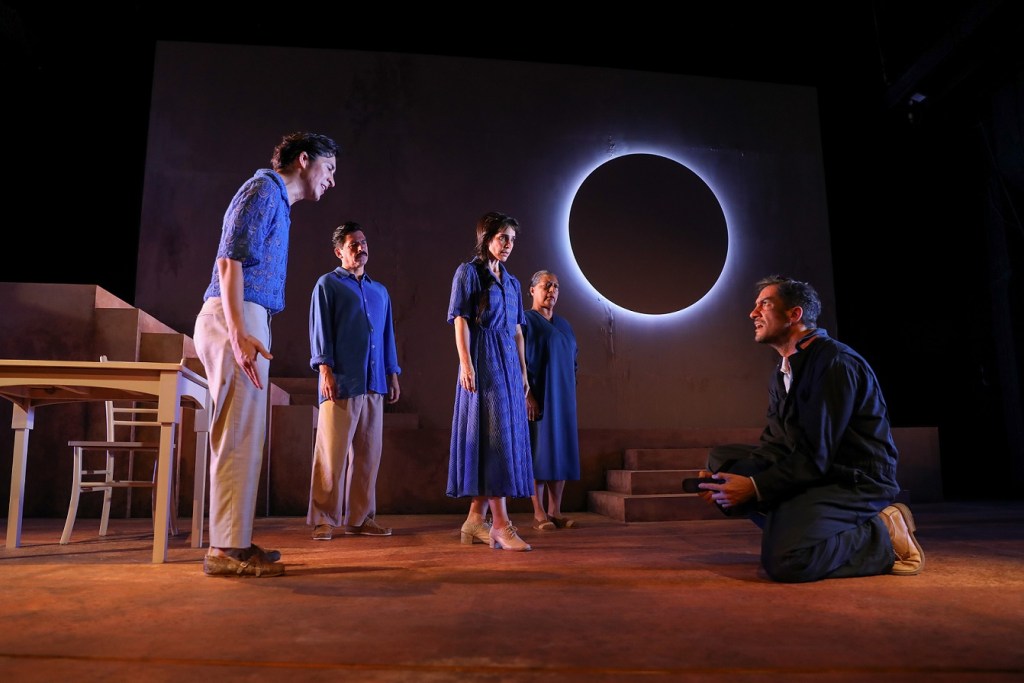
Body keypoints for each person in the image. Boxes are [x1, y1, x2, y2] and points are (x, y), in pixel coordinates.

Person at [694, 274, 925, 583]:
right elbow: (777, 444)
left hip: (853, 478)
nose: (752, 313)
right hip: (819, 468)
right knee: (723, 462)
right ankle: (795, 524)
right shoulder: (783, 371)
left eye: (764, 304)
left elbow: (816, 454)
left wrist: (755, 487)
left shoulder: (835, 363)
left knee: (786, 561)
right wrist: (726, 482)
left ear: (794, 314)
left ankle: (881, 533)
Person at [194, 131, 338, 577]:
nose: (332, 180)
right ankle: (223, 550)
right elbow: (229, 260)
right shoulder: (262, 189)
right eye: (329, 168)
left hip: (248, 317)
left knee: (245, 437)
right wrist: (238, 331)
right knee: (236, 434)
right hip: (234, 316)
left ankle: (233, 540)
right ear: (303, 159)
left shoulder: (275, 200)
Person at [307, 222, 401, 541]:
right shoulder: (328, 285)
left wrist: (392, 372)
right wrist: (325, 371)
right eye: (353, 245)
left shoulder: (380, 291)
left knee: (368, 456)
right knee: (331, 455)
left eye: (363, 242)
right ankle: (324, 519)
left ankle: (360, 518)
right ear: (339, 252)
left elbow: (387, 335)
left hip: (374, 383)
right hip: (341, 381)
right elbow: (321, 330)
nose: (361, 248)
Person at [447, 211, 534, 552]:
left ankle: (474, 521)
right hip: (483, 360)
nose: (508, 244)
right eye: (502, 238)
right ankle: (500, 525)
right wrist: (465, 363)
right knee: (494, 439)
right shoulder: (468, 273)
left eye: (512, 239)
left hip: (509, 366)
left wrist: (523, 373)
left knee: (501, 437)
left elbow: (517, 331)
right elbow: (460, 319)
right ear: (487, 238)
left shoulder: (512, 283)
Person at [522, 270, 581, 531]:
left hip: (563, 399)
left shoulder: (565, 325)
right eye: (546, 286)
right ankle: (539, 514)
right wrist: (527, 395)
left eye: (556, 286)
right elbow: (516, 362)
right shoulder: (524, 321)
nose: (552, 291)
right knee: (539, 452)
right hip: (539, 397)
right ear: (532, 290)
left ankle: (555, 511)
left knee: (560, 452)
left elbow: (573, 360)